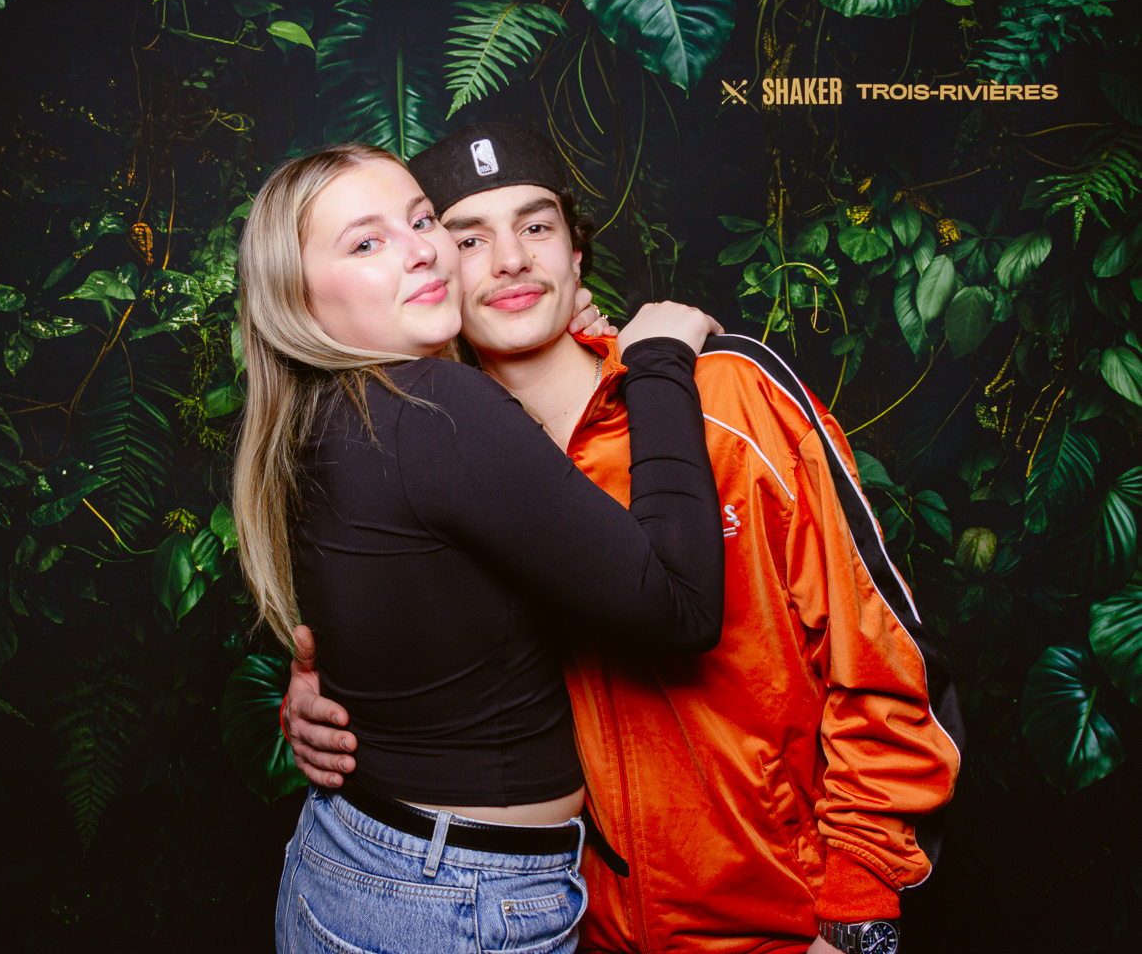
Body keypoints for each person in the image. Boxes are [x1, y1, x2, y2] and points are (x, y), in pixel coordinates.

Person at [282, 124, 964, 954]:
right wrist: (333, 700)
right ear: (432, 270)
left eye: (537, 227)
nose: (510, 260)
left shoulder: (729, 398)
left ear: (576, 255)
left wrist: (856, 912)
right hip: (572, 922)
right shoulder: (437, 451)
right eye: (468, 238)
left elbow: (886, 661)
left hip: (778, 923)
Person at [233, 142, 726, 954]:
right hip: (452, 902)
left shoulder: (323, 412)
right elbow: (682, 606)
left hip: (353, 862)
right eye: (367, 242)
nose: (422, 250)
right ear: (298, 300)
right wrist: (657, 362)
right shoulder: (436, 409)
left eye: (422, 221)